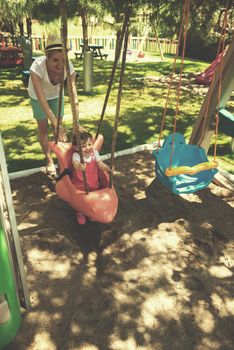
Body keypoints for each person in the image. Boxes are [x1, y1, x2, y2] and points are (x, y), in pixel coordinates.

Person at [28, 33, 76, 176]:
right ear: (47, 58)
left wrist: (76, 120)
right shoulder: (37, 68)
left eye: (63, 60)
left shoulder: (69, 68)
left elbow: (73, 95)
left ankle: (61, 159)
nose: (60, 64)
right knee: (44, 128)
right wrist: (53, 121)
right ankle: (49, 159)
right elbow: (42, 99)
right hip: (38, 97)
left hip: (56, 95)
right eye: (55, 60)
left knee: (59, 128)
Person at [71, 130, 112, 224]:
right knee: (81, 200)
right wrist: (79, 166)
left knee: (92, 198)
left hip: (93, 182)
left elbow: (100, 164)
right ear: (76, 147)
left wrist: (107, 169)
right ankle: (80, 212)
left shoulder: (95, 153)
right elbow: (75, 164)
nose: (87, 148)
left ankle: (90, 212)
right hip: (80, 184)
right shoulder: (76, 155)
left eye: (89, 144)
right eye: (84, 146)